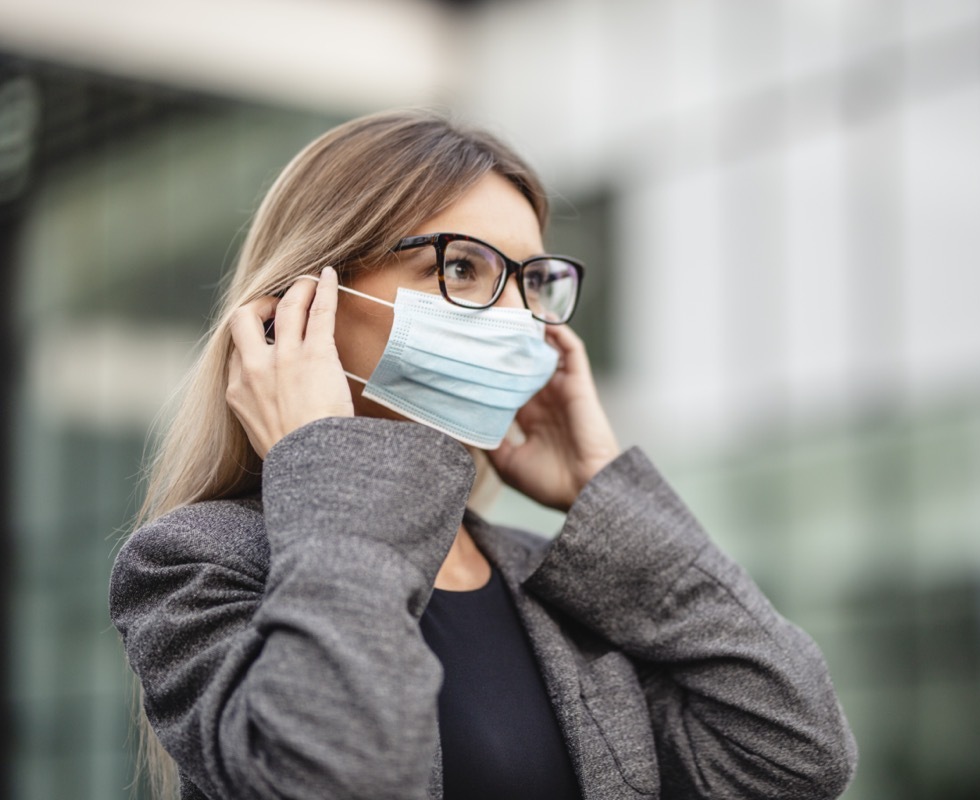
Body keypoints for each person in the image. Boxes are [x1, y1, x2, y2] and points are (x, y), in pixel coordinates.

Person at [108, 110, 857, 800]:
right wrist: (324, 461)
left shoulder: (548, 581)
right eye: (461, 268)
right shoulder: (194, 563)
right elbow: (338, 774)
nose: (516, 317)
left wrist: (602, 491)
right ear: (307, 302)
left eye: (534, 282)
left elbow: (796, 754)